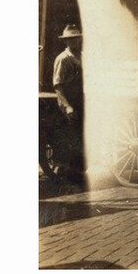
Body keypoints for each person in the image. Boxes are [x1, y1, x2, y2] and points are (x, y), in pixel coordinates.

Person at [52, 24, 85, 175]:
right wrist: (67, 106)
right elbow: (58, 84)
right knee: (70, 136)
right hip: (68, 101)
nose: (74, 42)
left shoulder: (82, 56)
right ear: (65, 41)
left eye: (76, 39)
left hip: (80, 100)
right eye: (70, 39)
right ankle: (65, 170)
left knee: (80, 135)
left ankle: (78, 171)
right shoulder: (63, 59)